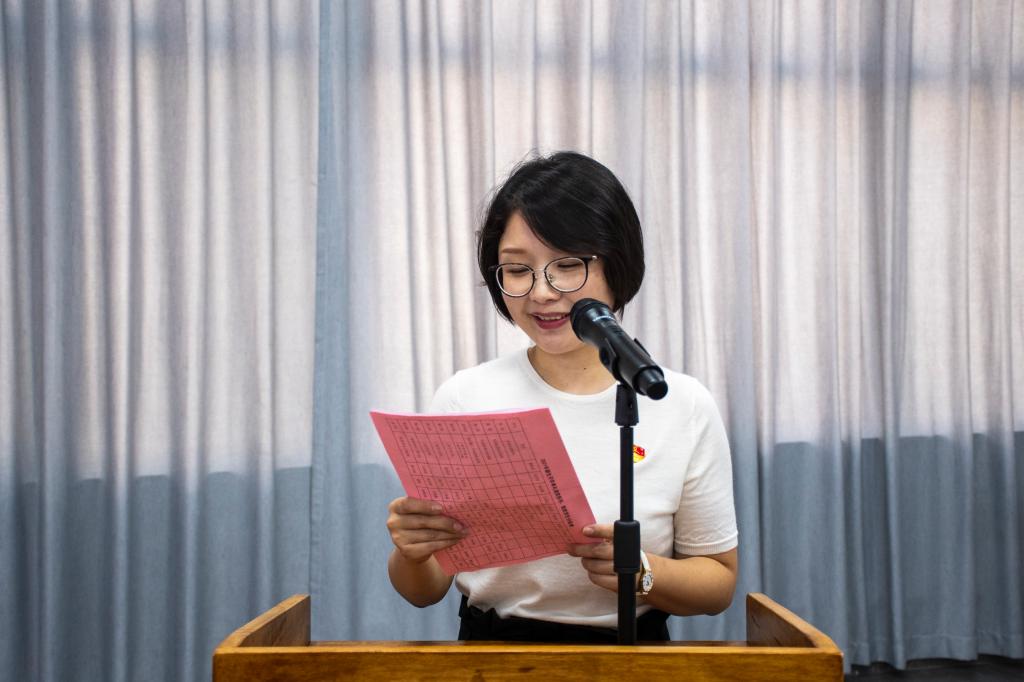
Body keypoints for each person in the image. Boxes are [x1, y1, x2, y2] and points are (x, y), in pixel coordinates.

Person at [385, 151, 738, 642]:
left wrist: (642, 572)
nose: (542, 293)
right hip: (491, 655)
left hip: (633, 656)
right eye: (517, 269)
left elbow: (718, 584)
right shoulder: (466, 397)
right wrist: (412, 551)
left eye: (567, 265)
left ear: (618, 263)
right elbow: (423, 591)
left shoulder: (682, 403)